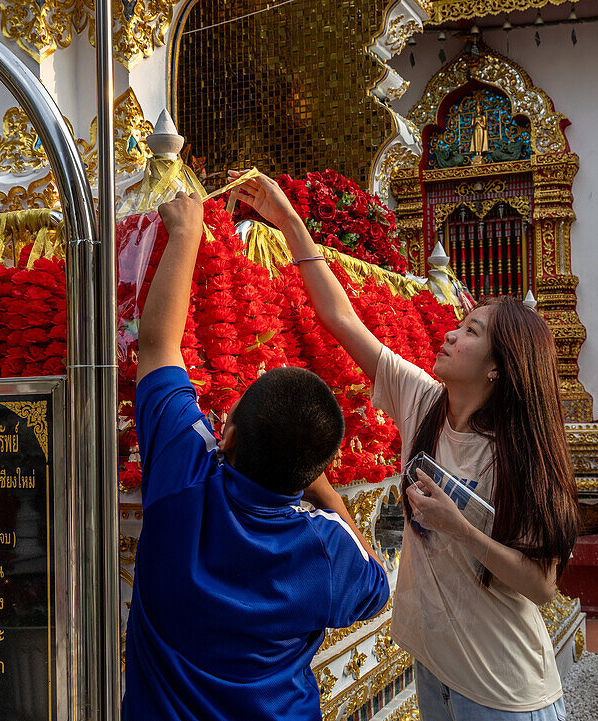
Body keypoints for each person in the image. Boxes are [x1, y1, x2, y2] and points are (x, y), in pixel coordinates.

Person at [232, 172, 578, 721]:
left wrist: (459, 528)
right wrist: (292, 223)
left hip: (505, 693)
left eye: (470, 331)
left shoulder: (512, 453)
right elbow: (340, 320)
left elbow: (541, 584)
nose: (449, 334)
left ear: (497, 368)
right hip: (436, 673)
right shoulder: (423, 402)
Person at [123, 192, 390, 721]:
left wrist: (184, 234)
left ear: (225, 437)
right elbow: (376, 580)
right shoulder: (326, 548)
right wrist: (322, 489)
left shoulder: (184, 479)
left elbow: (156, 346)